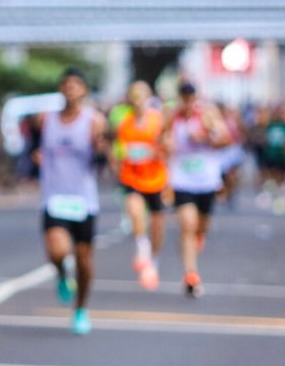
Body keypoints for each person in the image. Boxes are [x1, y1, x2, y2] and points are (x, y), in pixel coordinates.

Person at [32, 68, 103, 334]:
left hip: (84, 201)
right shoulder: (45, 120)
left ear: (83, 91)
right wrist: (35, 157)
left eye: (76, 85)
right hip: (54, 197)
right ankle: (62, 273)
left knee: (84, 263)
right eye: (66, 85)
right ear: (61, 89)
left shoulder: (94, 121)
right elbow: (34, 147)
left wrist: (100, 147)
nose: (71, 90)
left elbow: (101, 159)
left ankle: (81, 309)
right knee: (58, 251)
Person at [166, 81, 230, 298]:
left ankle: (197, 239)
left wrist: (206, 135)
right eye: (183, 96)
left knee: (201, 226)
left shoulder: (208, 114)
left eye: (190, 96)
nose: (187, 101)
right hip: (182, 180)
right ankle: (191, 274)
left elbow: (226, 140)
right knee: (187, 224)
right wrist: (166, 146)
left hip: (206, 181)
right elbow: (162, 140)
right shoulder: (172, 116)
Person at [114, 81, 167, 291]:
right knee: (136, 213)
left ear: (148, 97)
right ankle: (142, 249)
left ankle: (154, 260)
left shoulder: (158, 121)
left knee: (157, 226)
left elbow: (167, 147)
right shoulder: (124, 123)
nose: (137, 100)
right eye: (133, 96)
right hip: (132, 178)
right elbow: (120, 150)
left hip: (155, 179)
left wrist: (159, 152)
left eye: (140, 95)